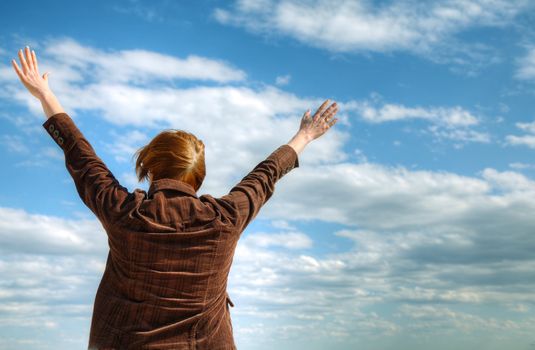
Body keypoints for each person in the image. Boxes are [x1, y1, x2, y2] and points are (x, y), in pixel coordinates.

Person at [12, 46, 339, 349]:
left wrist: (45, 93)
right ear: (200, 175)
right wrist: (305, 135)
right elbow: (266, 174)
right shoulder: (225, 219)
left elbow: (81, 155)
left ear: (149, 167)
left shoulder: (124, 213)